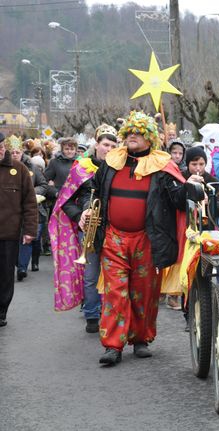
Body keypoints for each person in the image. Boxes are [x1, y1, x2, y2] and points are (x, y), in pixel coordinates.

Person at [79, 111, 203, 365]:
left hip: (147, 239)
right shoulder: (111, 161)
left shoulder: (162, 166)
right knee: (115, 292)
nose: (132, 136)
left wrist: (190, 186)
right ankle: (113, 345)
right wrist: (87, 208)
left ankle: (140, 339)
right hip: (113, 237)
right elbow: (92, 190)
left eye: (138, 132)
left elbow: (177, 200)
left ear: (149, 138)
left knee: (144, 292)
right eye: (130, 132)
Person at [49, 124, 118, 333]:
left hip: (113, 228)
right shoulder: (81, 168)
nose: (109, 149)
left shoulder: (119, 168)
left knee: (114, 274)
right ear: (96, 144)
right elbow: (66, 201)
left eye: (113, 145)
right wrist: (79, 217)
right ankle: (91, 314)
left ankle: (111, 313)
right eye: (105, 144)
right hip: (88, 227)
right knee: (91, 274)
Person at [0, 133, 38, 327]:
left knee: (6, 274)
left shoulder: (19, 169)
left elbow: (30, 203)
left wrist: (30, 230)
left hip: (9, 233)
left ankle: (1, 310)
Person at [5, 136, 53, 281]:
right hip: (10, 212)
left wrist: (32, 192)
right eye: (12, 152)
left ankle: (22, 267)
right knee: (13, 240)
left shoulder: (31, 167)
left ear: (22, 153)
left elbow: (43, 185)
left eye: (17, 152)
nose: (15, 155)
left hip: (31, 210)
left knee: (27, 239)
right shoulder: (5, 167)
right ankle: (16, 263)